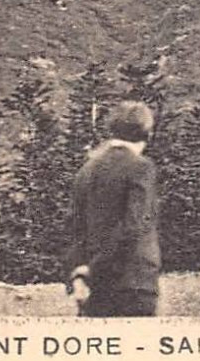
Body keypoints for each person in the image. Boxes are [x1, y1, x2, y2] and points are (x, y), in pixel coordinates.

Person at [66, 100, 162, 317]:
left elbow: (75, 226)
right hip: (133, 282)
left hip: (94, 285)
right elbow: (134, 225)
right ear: (148, 133)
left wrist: (81, 272)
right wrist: (97, 266)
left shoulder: (88, 169)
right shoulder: (141, 167)